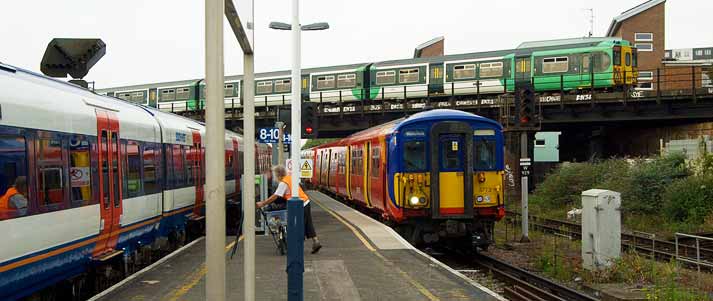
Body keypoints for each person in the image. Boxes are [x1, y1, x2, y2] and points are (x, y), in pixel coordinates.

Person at [257, 165, 322, 254]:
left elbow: (275, 196)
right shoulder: (289, 178)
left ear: (278, 175)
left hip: (299, 205)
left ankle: (298, 248)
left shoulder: (283, 183)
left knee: (298, 226)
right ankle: (316, 241)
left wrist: (263, 203)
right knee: (308, 223)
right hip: (306, 202)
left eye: (275, 175)